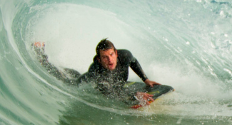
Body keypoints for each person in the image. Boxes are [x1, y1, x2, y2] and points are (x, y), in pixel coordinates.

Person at [32, 39, 162, 105]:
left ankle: (64, 68)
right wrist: (135, 95)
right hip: (84, 82)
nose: (110, 60)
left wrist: (145, 79)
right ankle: (42, 58)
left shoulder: (125, 55)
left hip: (109, 82)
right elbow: (112, 93)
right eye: (105, 57)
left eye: (111, 55)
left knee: (75, 74)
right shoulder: (98, 73)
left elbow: (133, 62)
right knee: (69, 81)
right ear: (99, 59)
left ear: (116, 53)